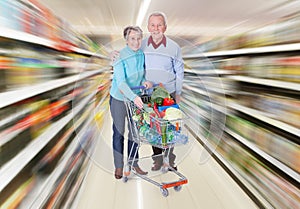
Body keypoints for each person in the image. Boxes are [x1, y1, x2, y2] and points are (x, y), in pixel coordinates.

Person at [111, 12, 184, 172]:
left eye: (159, 25)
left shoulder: (173, 47)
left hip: (164, 93)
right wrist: (111, 54)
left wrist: (177, 93)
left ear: (165, 27)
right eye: (152, 25)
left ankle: (164, 161)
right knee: (137, 131)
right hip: (136, 95)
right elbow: (122, 75)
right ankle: (129, 164)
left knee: (163, 129)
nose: (156, 28)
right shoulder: (137, 46)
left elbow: (178, 71)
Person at [110, 26, 152, 179]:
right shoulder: (119, 56)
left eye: (139, 38)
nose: (136, 42)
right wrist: (134, 97)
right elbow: (121, 83)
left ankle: (133, 162)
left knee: (135, 133)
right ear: (126, 40)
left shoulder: (141, 54)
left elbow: (140, 76)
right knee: (119, 132)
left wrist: (145, 82)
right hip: (119, 99)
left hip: (136, 98)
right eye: (132, 38)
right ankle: (119, 166)